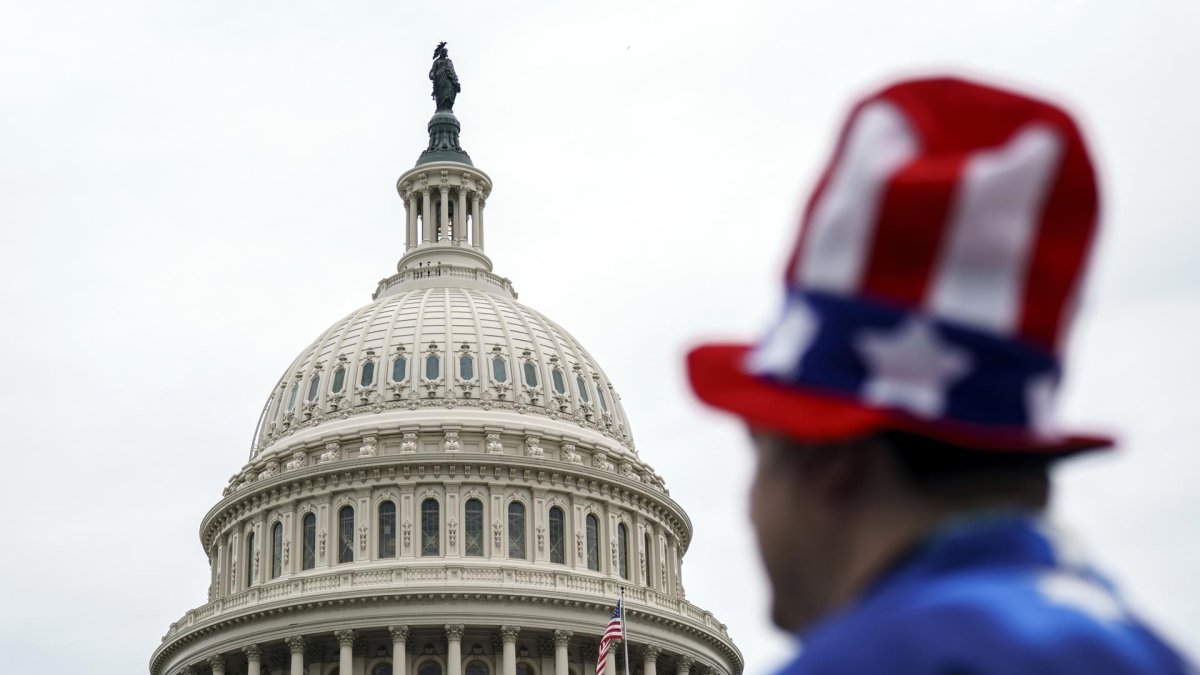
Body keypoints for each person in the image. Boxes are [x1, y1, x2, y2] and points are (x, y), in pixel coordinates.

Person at [687, 77, 1193, 674]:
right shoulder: (1147, 655)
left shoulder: (870, 663)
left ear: (829, 465)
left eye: (761, 453)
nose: (749, 509)